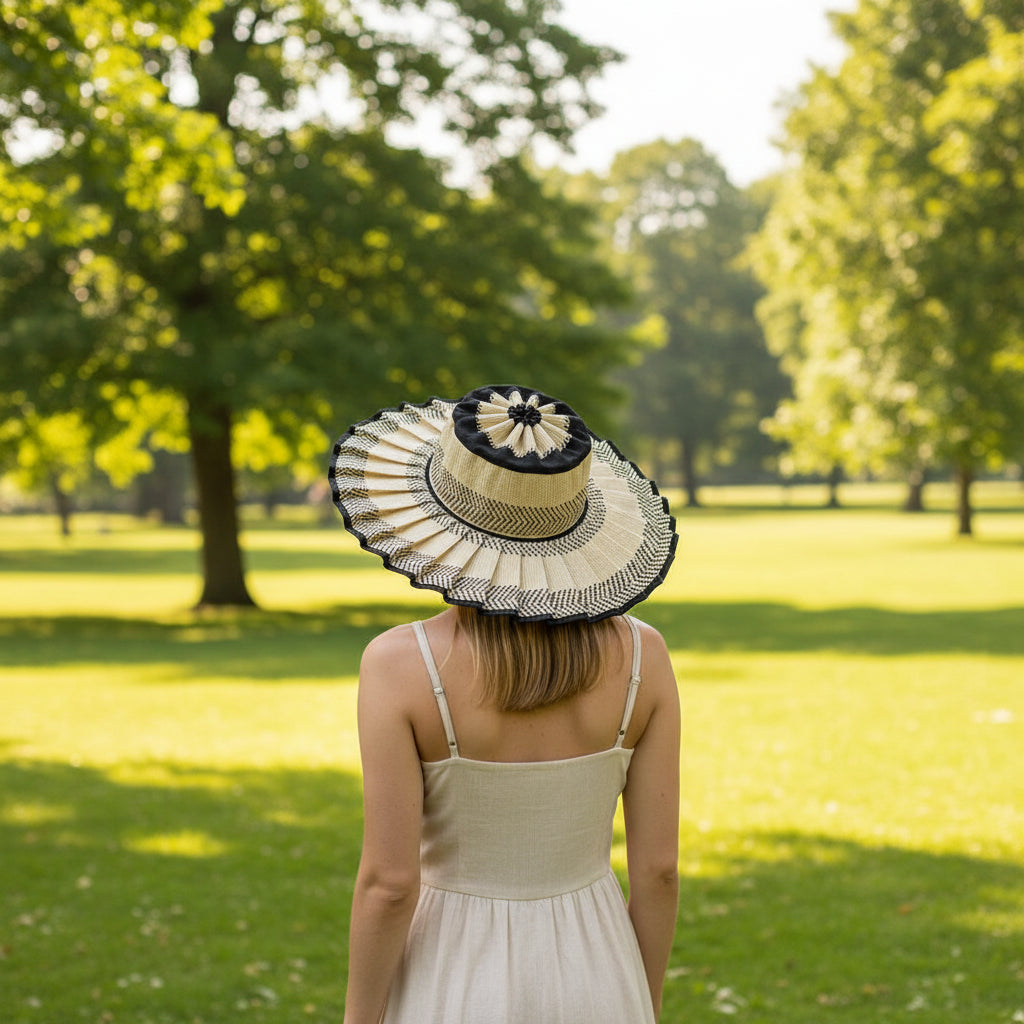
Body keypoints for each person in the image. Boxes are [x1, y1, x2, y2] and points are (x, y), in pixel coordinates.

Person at [330, 384, 681, 1024]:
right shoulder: (643, 656)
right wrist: (640, 998)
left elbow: (390, 885)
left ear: (440, 521)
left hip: (452, 973)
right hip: (600, 970)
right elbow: (657, 872)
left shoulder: (399, 665)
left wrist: (359, 1018)